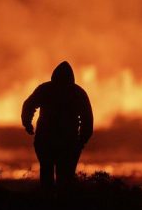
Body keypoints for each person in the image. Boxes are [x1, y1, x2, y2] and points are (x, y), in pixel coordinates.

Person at [21, 61, 93, 190]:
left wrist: (27, 123)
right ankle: (62, 206)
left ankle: (48, 205)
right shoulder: (78, 92)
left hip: (46, 140)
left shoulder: (45, 89)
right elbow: (88, 119)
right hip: (68, 142)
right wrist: (81, 141)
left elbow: (28, 105)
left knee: (46, 174)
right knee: (65, 179)